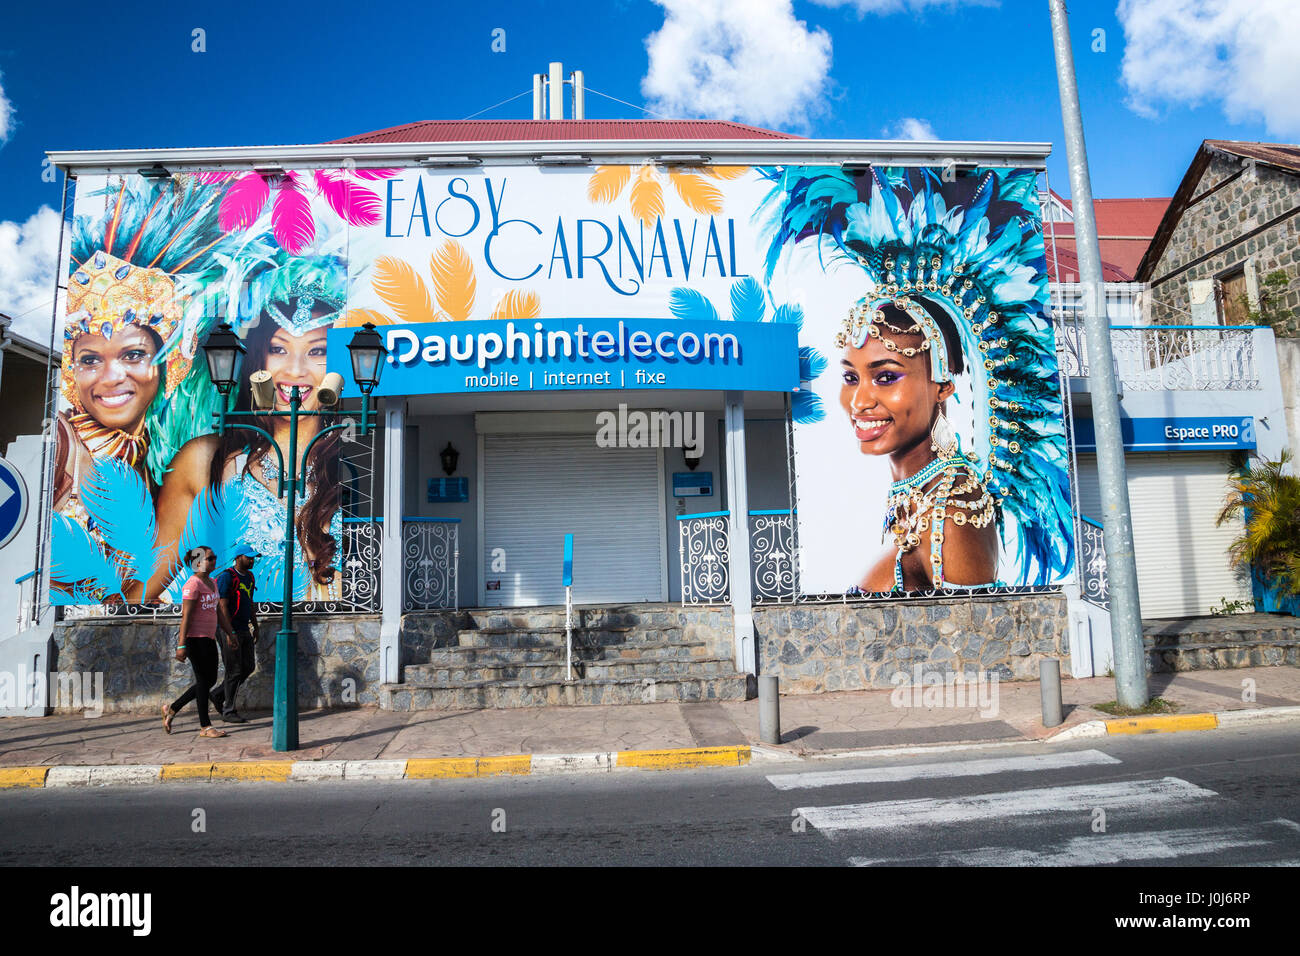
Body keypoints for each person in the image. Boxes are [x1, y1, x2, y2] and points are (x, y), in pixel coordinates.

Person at [144, 254, 345, 604]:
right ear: (259, 358)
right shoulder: (207, 460)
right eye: (278, 348)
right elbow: (144, 588)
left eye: (317, 352)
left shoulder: (352, 469)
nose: (295, 370)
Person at [838, 297, 997, 593]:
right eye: (851, 377)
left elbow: (979, 633)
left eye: (885, 377)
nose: (859, 402)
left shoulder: (951, 514)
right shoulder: (915, 498)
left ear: (942, 387)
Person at [162, 546, 236, 738]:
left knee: (209, 680)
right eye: (210, 558)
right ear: (198, 563)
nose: (213, 561)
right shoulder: (192, 585)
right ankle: (205, 726)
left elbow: (218, 611)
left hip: (209, 637)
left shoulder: (212, 582)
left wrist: (230, 633)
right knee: (204, 681)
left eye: (214, 557)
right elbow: (186, 615)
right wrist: (181, 645)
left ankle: (173, 708)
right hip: (194, 639)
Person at [209, 544, 261, 722]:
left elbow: (249, 602)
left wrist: (255, 626)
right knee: (234, 670)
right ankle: (229, 710)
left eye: (253, 557)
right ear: (239, 558)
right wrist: (229, 633)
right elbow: (222, 605)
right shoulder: (227, 577)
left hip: (244, 628)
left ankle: (217, 695)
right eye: (249, 557)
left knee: (248, 667)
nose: (252, 560)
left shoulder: (250, 577)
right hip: (228, 629)